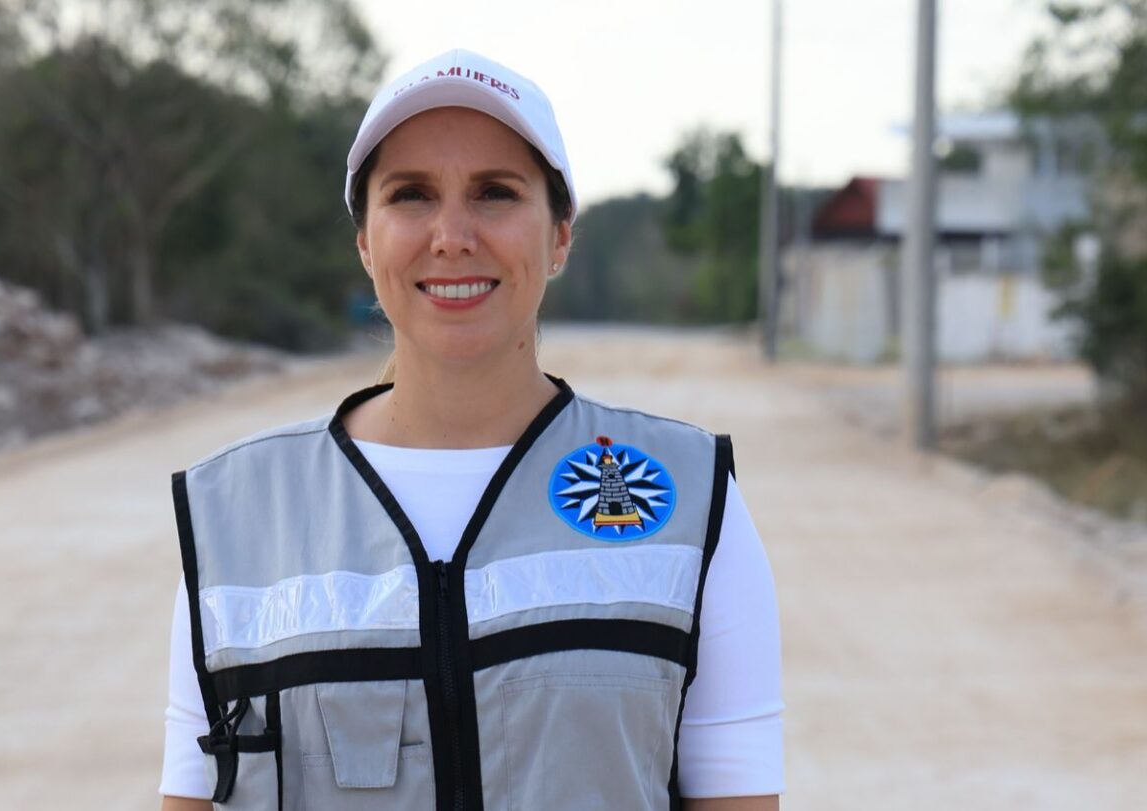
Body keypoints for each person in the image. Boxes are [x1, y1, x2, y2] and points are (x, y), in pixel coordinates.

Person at [160, 49, 783, 811]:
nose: (452, 235)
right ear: (365, 242)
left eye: (495, 192)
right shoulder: (240, 515)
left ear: (559, 236)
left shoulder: (690, 499)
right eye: (411, 195)